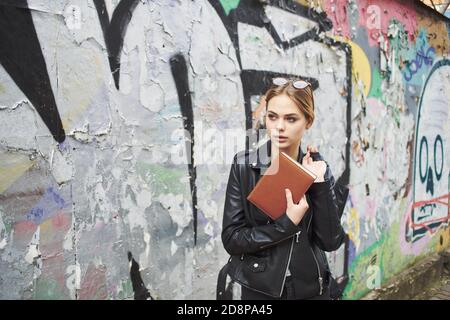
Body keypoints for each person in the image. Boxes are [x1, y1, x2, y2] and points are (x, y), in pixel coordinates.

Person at [218, 77, 348, 300]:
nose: (279, 127)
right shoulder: (244, 167)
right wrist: (286, 224)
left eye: (290, 119)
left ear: (308, 121)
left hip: (311, 289)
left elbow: (330, 241)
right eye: (272, 117)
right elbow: (232, 239)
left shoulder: (318, 169)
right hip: (261, 291)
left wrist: (319, 185)